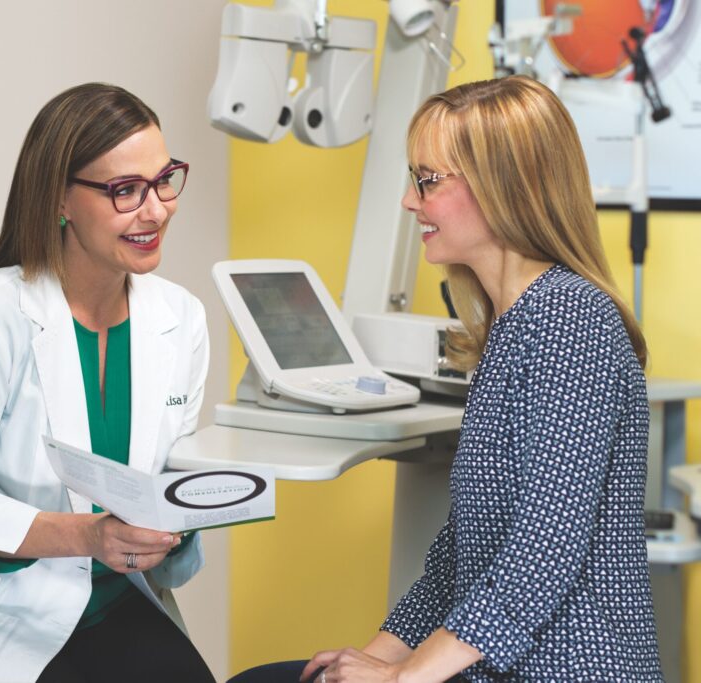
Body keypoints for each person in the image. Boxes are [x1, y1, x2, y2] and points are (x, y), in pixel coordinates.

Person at [229, 75, 661, 682]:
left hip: (568, 667)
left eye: (428, 181)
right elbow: (460, 555)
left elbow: (545, 546)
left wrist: (405, 676)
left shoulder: (571, 318)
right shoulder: (510, 325)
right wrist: (379, 652)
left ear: (504, 188)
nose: (411, 201)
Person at [0, 83, 215, 683]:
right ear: (60, 200)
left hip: (116, 604)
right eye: (125, 191)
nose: (156, 209)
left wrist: (185, 518)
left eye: (165, 180)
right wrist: (91, 535)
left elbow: (169, 482)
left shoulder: (179, 319)